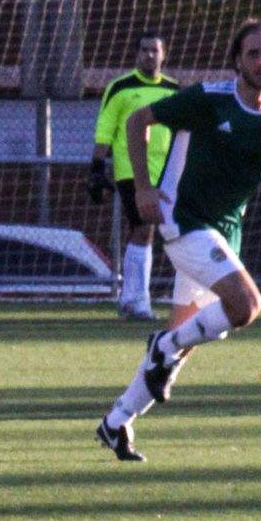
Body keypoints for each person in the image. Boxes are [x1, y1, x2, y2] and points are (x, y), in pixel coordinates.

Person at [96, 18, 261, 461]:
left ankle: (116, 422)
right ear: (237, 59)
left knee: (185, 341)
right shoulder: (208, 99)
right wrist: (142, 188)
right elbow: (139, 120)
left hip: (224, 231)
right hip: (183, 220)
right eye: (253, 53)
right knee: (246, 305)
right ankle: (162, 345)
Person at [89, 32, 179, 320]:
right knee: (144, 228)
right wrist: (97, 167)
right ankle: (137, 302)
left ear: (164, 55)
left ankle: (132, 299)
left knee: (163, 232)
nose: (149, 55)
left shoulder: (174, 90)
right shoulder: (121, 88)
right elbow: (105, 128)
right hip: (131, 172)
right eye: (144, 50)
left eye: (155, 50)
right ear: (136, 54)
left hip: (167, 173)